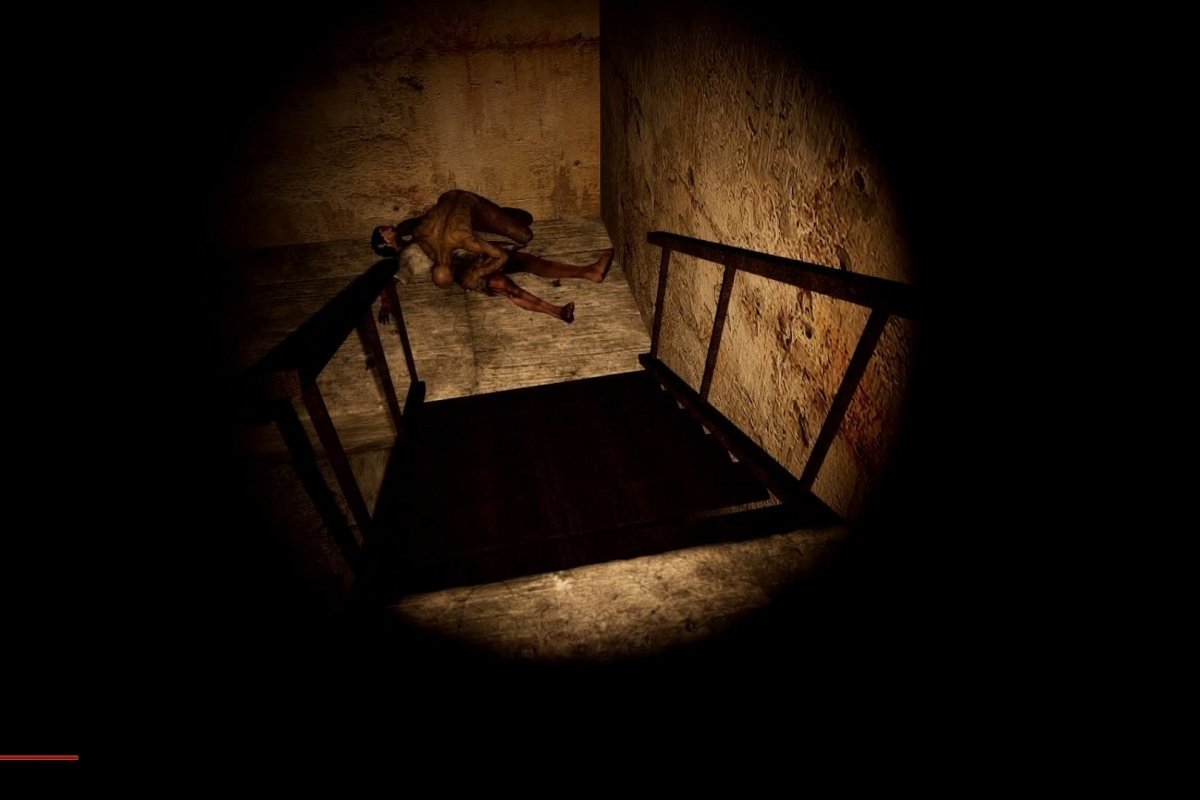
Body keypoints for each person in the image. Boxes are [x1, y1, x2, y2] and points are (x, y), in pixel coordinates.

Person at [372, 189, 613, 323]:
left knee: (530, 262)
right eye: (384, 230)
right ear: (385, 242)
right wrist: (386, 303)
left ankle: (589, 272)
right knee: (505, 286)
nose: (388, 227)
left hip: (474, 254)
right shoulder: (406, 255)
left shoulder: (413, 233)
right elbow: (389, 280)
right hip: (465, 269)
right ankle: (556, 311)